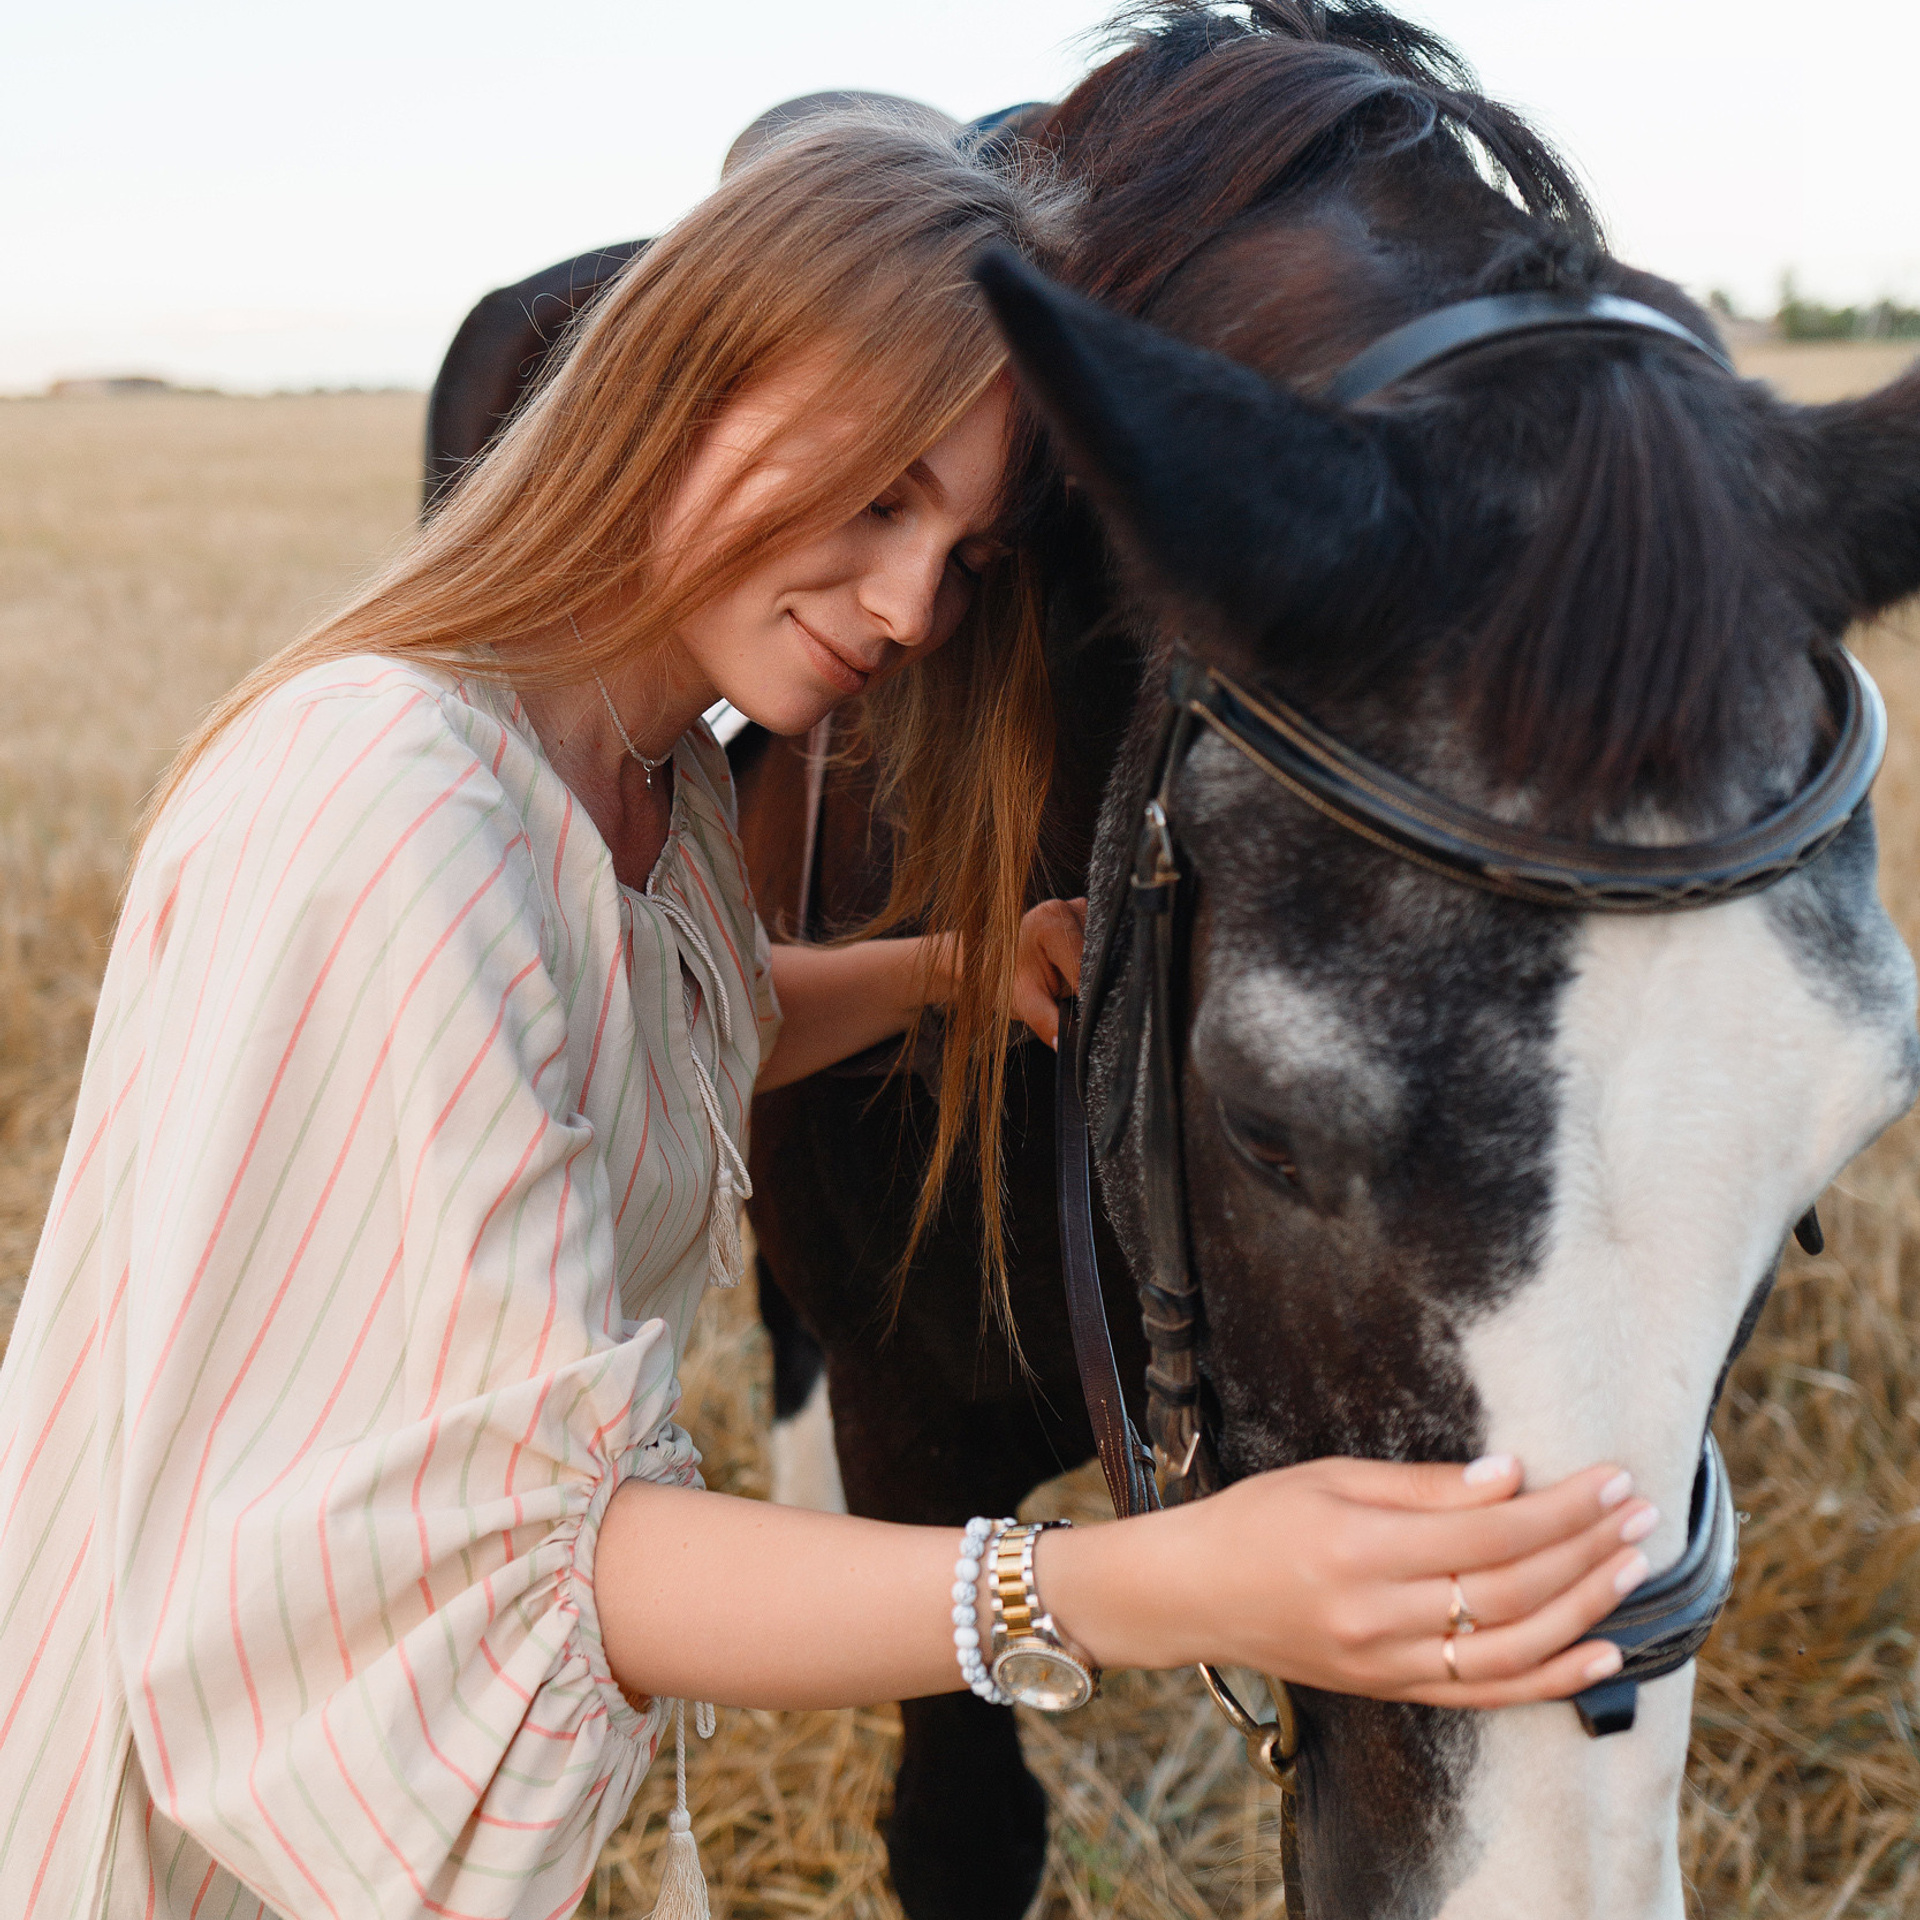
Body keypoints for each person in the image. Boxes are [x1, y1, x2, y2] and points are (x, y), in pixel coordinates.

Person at [0, 115, 1659, 1919]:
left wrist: (948, 966)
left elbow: (636, 1027)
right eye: (880, 496)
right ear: (680, 379)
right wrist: (1159, 1580)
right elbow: (532, 1572)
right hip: (188, 1827)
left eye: (957, 545)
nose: (912, 608)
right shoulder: (393, 800)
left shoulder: (644, 776)